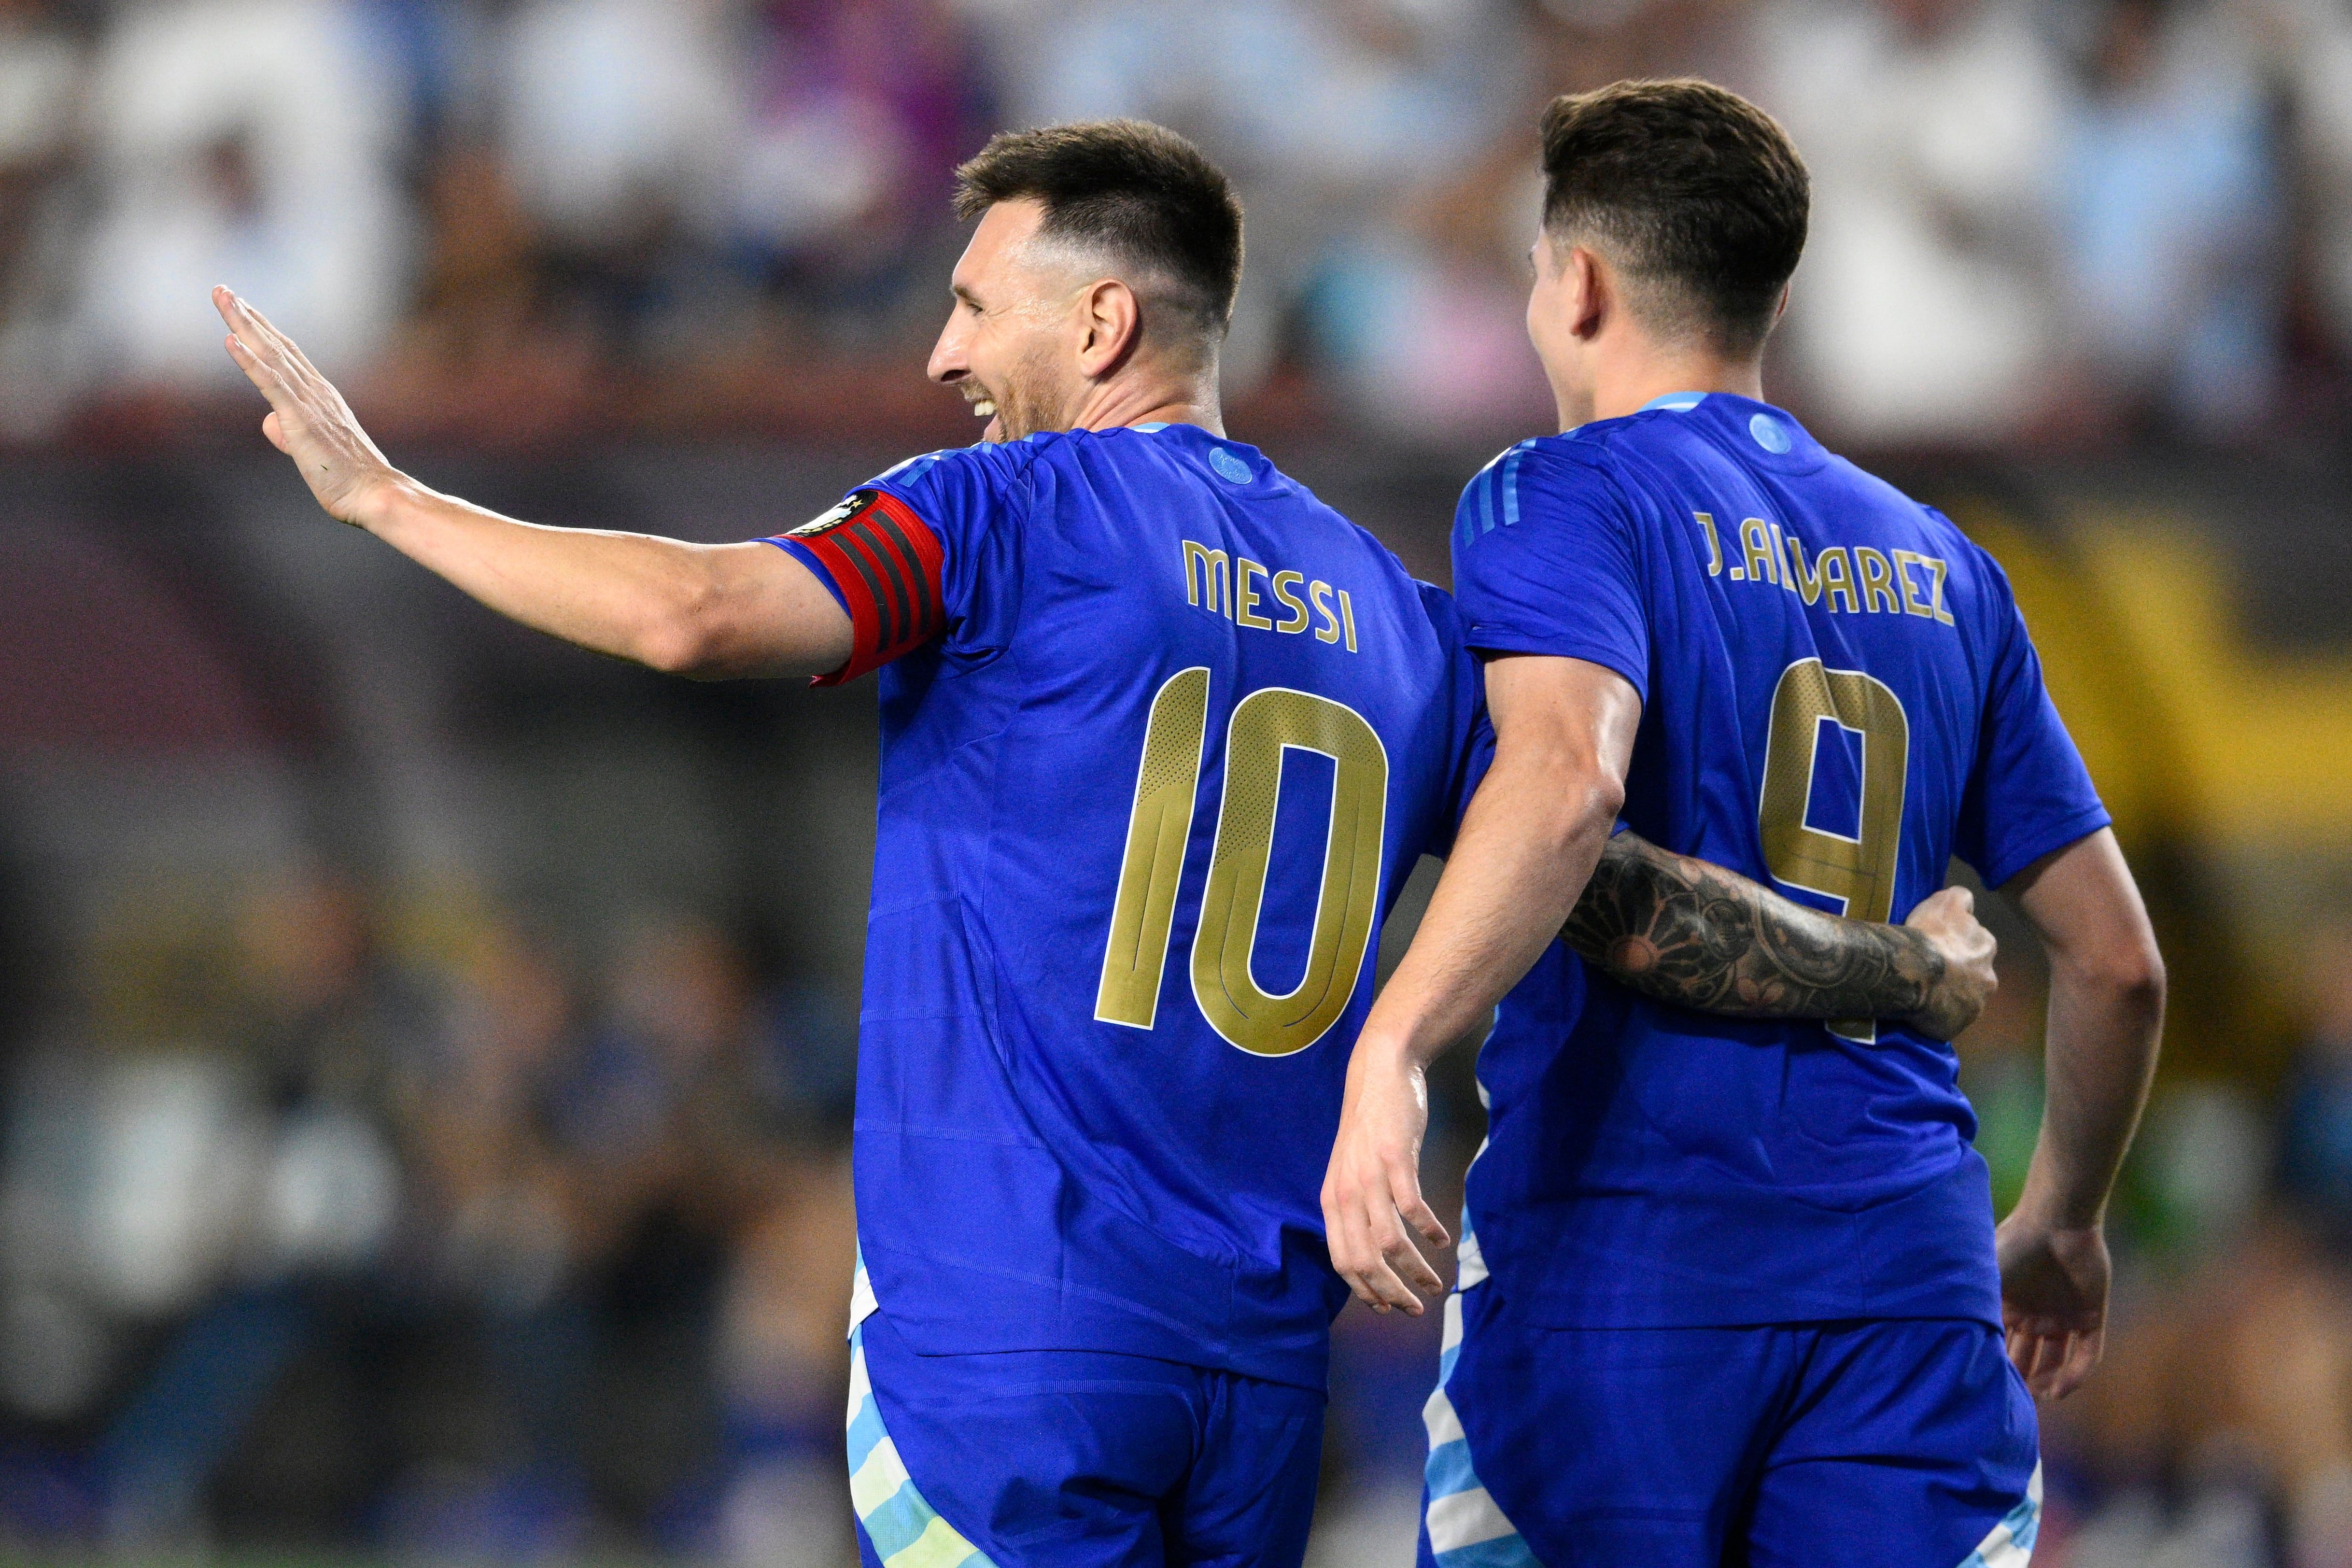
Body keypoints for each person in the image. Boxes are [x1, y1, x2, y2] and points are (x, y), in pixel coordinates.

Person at [216, 117, 1998, 1568]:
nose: (941, 353)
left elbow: (697, 614)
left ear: (1099, 326)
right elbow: (1609, 892)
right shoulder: (1395, 615)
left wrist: (392, 499)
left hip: (1010, 1340)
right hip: (1259, 1387)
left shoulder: (1002, 512)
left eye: (972, 304)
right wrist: (1893, 970)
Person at [1320, 80, 2168, 1568]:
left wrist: (1393, 1044)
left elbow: (1568, 784)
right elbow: (2119, 965)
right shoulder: (1949, 565)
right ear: (1774, 294)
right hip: (1906, 1282)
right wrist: (2062, 1222)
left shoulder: (1561, 495)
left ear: (1578, 284)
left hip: (1622, 1263)